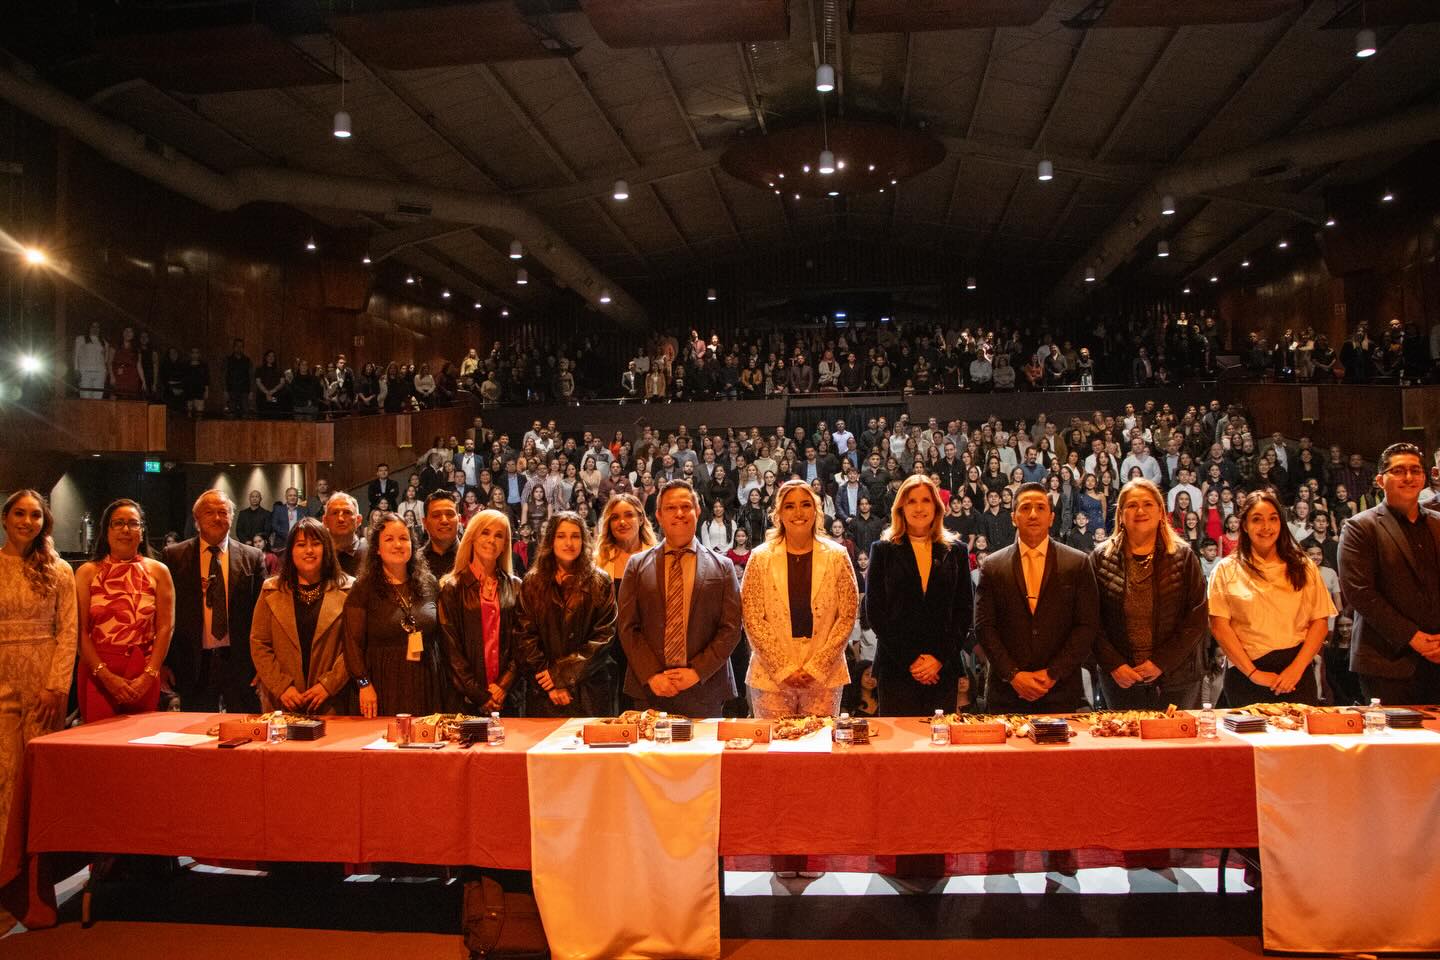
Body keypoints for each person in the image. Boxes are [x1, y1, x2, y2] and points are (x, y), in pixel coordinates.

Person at [617, 480, 742, 718]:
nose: (679, 514)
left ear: (697, 511)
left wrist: (697, 672)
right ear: (659, 515)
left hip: (704, 688)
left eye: (686, 506)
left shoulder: (723, 567)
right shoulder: (636, 565)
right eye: (671, 508)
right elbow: (627, 627)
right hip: (650, 689)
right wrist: (652, 674)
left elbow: (732, 628)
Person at [974, 482, 1100, 713]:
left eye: (1040, 508)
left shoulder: (1077, 563)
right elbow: (984, 626)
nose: (1033, 514)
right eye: (1025, 508)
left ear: (1051, 518)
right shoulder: (992, 565)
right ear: (1013, 517)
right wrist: (1013, 675)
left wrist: (1053, 673)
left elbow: (1087, 625)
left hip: (1061, 689)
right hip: (1007, 692)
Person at [740, 479, 859, 718]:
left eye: (805, 504)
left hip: (824, 676)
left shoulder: (837, 556)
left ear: (816, 511)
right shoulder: (760, 558)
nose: (798, 512)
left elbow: (847, 615)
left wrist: (818, 666)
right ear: (778, 514)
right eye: (790, 506)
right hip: (772, 677)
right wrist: (783, 668)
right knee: (775, 743)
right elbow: (752, 618)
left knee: (819, 741)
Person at [0, 490, 78, 851]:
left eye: (35, 515)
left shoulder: (59, 570)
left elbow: (68, 631)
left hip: (44, 680)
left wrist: (57, 686)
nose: (27, 521)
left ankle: (35, 865)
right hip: (3, 678)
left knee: (38, 773)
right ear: (5, 518)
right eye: (19, 513)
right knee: (5, 771)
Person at [1208, 490, 1336, 707]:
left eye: (1273, 519)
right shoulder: (1225, 569)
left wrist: (1295, 670)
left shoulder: (1303, 566)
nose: (1266, 527)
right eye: (1257, 519)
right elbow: (1219, 626)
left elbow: (1320, 621)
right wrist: (1254, 673)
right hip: (1245, 675)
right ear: (1244, 525)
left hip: (1296, 673)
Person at [1090, 480, 1208, 710]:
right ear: (1121, 515)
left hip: (1176, 678)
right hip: (1121, 680)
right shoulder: (1100, 559)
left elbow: (1196, 618)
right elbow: (1090, 620)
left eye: (1147, 504)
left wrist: (1161, 662)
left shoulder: (1184, 557)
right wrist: (1114, 665)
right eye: (1132, 505)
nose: (1140, 511)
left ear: (1161, 512)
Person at [1337, 442, 1440, 704]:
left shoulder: (1438, 523)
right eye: (1399, 471)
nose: (1408, 477)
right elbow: (1360, 593)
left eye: (1415, 470)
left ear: (1424, 478)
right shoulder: (1360, 527)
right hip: (1386, 661)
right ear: (1380, 480)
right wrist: (1412, 637)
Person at [864, 475, 973, 716]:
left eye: (926, 500)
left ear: (937, 506)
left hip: (942, 669)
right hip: (896, 668)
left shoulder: (957, 551)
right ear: (901, 507)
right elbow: (875, 612)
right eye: (911, 501)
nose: (919, 507)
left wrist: (938, 659)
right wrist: (911, 660)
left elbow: (964, 611)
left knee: (939, 739)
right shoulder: (882, 550)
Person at [163, 490, 265, 713]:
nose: (217, 518)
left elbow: (263, 616)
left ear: (232, 517)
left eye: (223, 512)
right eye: (209, 512)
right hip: (193, 663)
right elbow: (165, 615)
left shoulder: (252, 557)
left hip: (241, 663)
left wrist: (263, 664)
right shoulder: (174, 556)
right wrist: (165, 663)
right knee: (195, 729)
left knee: (245, 726)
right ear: (197, 519)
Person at [75, 499, 174, 720]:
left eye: (133, 523)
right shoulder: (87, 573)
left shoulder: (159, 571)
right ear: (106, 530)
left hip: (143, 671)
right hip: (98, 672)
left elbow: (165, 628)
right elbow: (80, 632)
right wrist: (106, 676)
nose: (126, 530)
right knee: (98, 739)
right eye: (118, 523)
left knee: (141, 739)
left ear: (142, 530)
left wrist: (149, 675)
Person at [515, 513, 617, 717]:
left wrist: (561, 675)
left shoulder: (601, 581)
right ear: (551, 540)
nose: (569, 543)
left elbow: (605, 637)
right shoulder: (532, 582)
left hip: (589, 691)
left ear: (584, 540)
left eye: (575, 536)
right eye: (561, 536)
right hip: (544, 692)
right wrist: (551, 684)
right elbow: (524, 638)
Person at [249, 518, 354, 714]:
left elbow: (354, 646)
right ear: (290, 550)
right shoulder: (270, 589)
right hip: (282, 703)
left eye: (316, 544)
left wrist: (328, 685)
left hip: (332, 701)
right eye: (301, 544)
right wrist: (282, 687)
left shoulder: (349, 589)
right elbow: (259, 643)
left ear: (327, 549)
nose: (309, 550)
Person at [344, 514, 441, 718]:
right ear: (377, 549)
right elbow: (352, 643)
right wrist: (364, 684)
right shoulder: (363, 588)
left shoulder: (429, 583)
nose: (398, 544)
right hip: (381, 683)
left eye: (404, 538)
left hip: (426, 681)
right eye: (389, 539)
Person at [438, 509, 522, 715]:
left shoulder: (516, 586)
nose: (491, 540)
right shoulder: (452, 588)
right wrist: (480, 695)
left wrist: (503, 686)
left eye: (499, 535)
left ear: (505, 544)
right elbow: (451, 650)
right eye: (485, 532)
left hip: (507, 698)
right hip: (465, 700)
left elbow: (522, 642)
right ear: (472, 537)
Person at [595, 493, 656, 713]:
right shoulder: (598, 560)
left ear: (641, 518)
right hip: (609, 649)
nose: (622, 522)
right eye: (615, 517)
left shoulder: (657, 556)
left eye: (628, 515)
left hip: (647, 647)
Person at [323, 493, 367, 576]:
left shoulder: (372, 554)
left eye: (347, 512)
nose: (341, 519)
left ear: (358, 520)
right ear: (325, 521)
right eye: (335, 513)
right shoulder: (318, 555)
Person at [421, 490, 460, 580]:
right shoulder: (415, 561)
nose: (444, 521)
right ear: (425, 523)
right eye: (436, 515)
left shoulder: (472, 558)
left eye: (450, 514)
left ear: (459, 520)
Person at [73, 321, 108, 398]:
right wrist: (76, 369)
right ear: (89, 328)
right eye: (93, 326)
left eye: (97, 327)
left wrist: (105, 371)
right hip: (85, 372)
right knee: (85, 396)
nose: (95, 329)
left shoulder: (104, 342)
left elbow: (105, 359)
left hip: (100, 373)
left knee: (98, 397)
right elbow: (76, 354)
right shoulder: (81, 339)